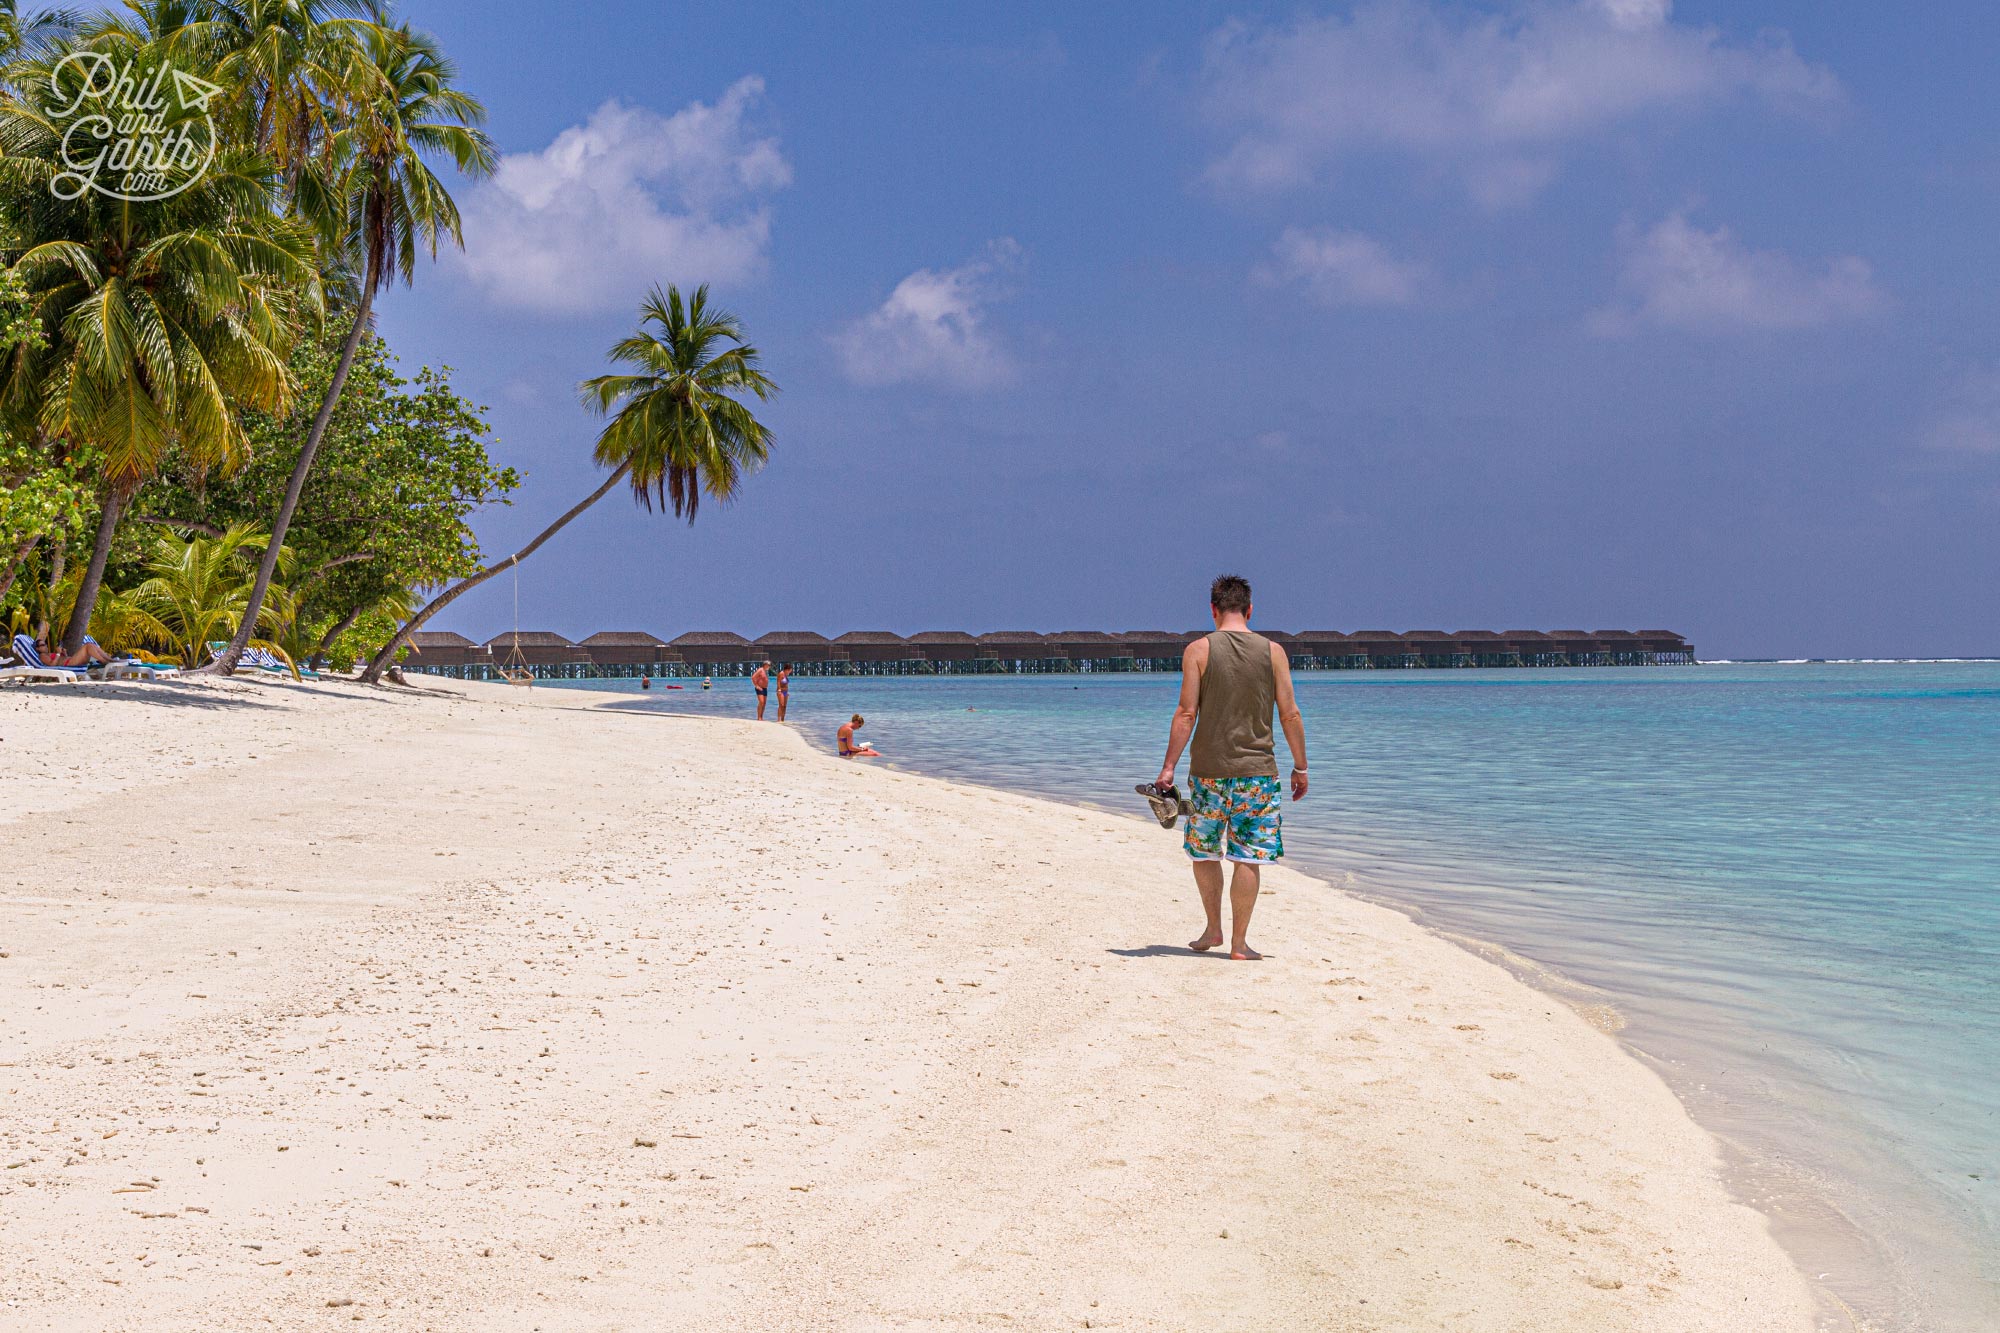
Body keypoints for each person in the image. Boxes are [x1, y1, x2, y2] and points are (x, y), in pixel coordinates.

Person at [1154, 574, 1307, 961]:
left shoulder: (1198, 650)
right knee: (1249, 856)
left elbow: (1186, 713)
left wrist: (1168, 767)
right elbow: (1289, 714)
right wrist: (1300, 767)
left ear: (1213, 609)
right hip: (1259, 774)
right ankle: (1239, 944)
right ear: (1250, 609)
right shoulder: (1274, 652)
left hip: (1208, 772)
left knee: (1204, 852)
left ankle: (1212, 929)